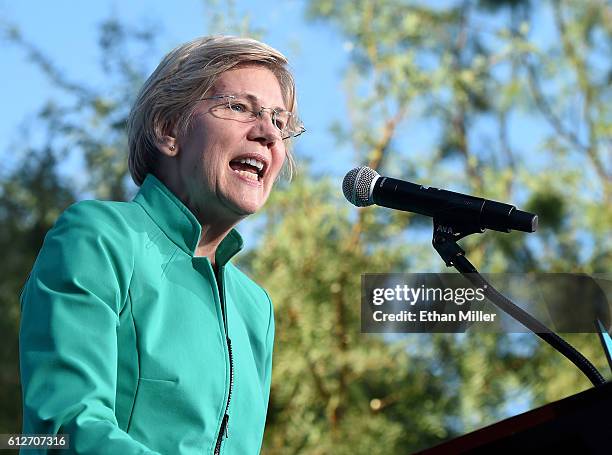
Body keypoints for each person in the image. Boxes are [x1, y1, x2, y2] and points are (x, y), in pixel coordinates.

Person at [19, 35, 305, 455]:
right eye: (239, 107)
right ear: (168, 129)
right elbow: (62, 429)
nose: (268, 134)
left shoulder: (255, 308)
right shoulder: (97, 237)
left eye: (280, 121)